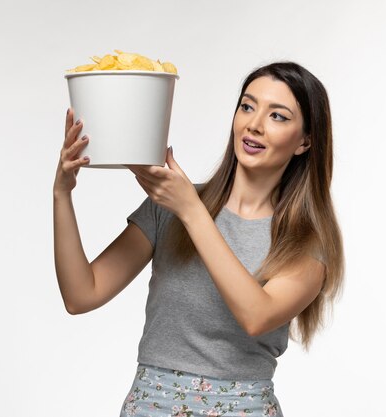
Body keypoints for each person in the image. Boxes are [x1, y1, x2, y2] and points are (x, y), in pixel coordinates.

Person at [53, 61, 345, 417]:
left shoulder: (305, 243)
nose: (254, 124)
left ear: (305, 141)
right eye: (247, 106)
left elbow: (257, 316)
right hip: (149, 406)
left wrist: (191, 210)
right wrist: (62, 194)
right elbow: (81, 295)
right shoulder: (171, 204)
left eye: (278, 116)